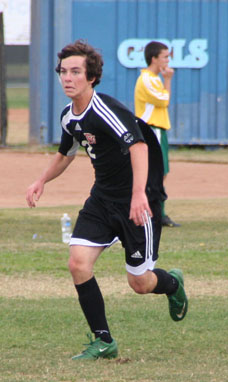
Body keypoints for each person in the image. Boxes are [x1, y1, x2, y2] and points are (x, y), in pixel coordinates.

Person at [25, 40, 188, 360]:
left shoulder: (106, 110)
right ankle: (104, 341)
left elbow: (139, 147)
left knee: (140, 283)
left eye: (75, 72)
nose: (67, 78)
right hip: (102, 199)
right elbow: (66, 153)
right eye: (63, 72)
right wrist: (41, 180)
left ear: (92, 77)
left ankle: (172, 284)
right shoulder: (68, 116)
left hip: (139, 201)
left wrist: (139, 195)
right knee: (77, 264)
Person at [134, 41, 180, 227]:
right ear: (154, 59)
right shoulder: (146, 79)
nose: (168, 60)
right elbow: (163, 100)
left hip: (159, 129)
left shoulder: (154, 79)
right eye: (165, 57)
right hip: (151, 129)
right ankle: (153, 214)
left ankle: (156, 212)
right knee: (155, 172)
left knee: (161, 172)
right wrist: (168, 80)